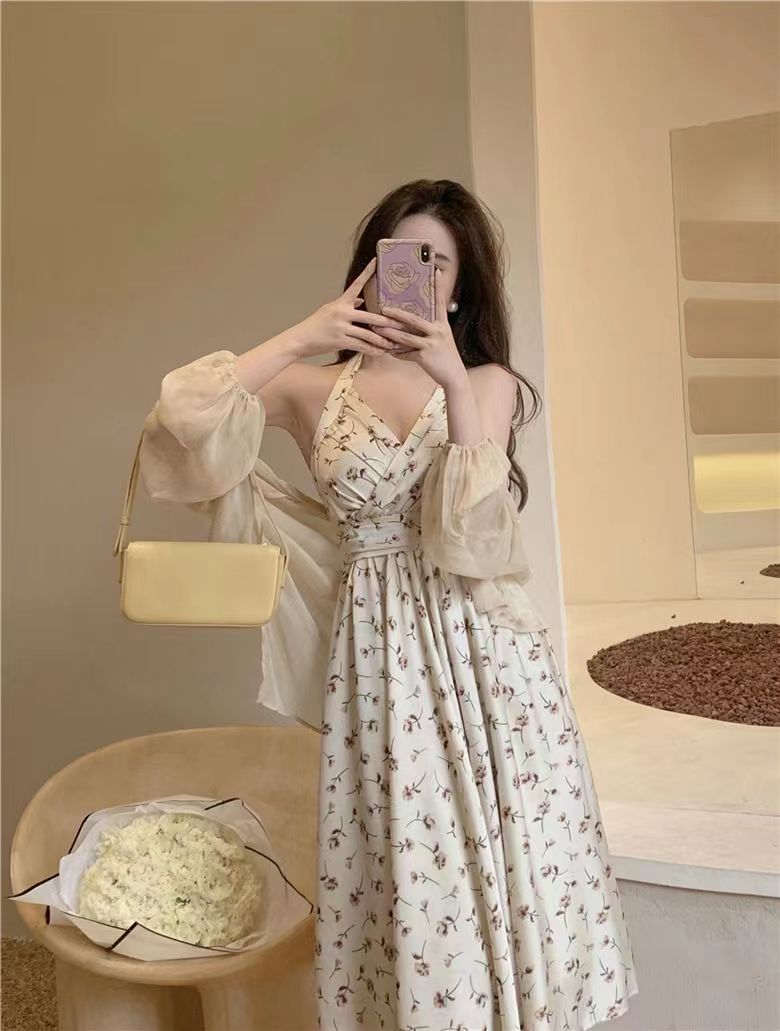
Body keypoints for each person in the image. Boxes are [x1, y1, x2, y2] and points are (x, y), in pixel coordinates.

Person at [139, 179, 639, 1029]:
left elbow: (477, 544)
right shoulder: (309, 389)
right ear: (369, 270)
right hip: (378, 659)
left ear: (462, 288)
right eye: (402, 256)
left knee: (511, 858)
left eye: (438, 262)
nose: (419, 276)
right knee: (409, 864)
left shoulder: (488, 383)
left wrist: (451, 380)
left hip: (485, 657)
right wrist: (304, 334)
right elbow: (178, 425)